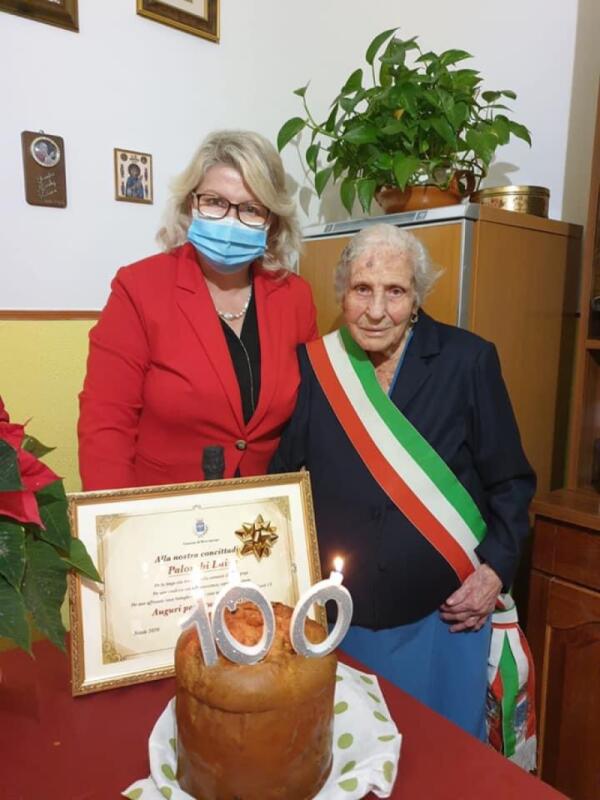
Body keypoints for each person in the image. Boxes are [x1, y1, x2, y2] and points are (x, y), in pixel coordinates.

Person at [270, 223, 536, 741]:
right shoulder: (316, 367)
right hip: (342, 619)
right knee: (352, 753)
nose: (376, 310)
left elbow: (511, 482)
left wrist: (493, 572)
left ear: (416, 299)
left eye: (395, 291)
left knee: (442, 760)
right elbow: (283, 477)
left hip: (445, 621)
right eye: (362, 289)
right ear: (342, 294)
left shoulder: (468, 360)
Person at [78, 130, 317, 490]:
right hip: (164, 508)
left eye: (251, 209)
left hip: (264, 508)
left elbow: (311, 415)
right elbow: (106, 424)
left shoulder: (294, 296)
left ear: (272, 222)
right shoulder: (138, 288)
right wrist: (115, 516)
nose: (230, 220)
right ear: (191, 204)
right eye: (215, 201)